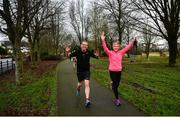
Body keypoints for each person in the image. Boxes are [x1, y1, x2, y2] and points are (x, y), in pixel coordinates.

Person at [100, 32, 136, 106]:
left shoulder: (121, 52)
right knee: (115, 86)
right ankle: (117, 100)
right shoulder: (110, 53)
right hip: (112, 71)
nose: (116, 47)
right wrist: (103, 40)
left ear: (119, 47)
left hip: (119, 71)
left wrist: (132, 40)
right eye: (114, 46)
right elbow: (105, 48)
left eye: (117, 46)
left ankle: (113, 84)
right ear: (112, 47)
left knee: (117, 84)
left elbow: (128, 47)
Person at [65, 41, 99, 107]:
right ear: (81, 45)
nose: (84, 46)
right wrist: (67, 52)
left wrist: (97, 56)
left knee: (87, 84)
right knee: (80, 84)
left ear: (87, 46)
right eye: (83, 44)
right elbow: (69, 56)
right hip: (79, 72)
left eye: (86, 45)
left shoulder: (89, 52)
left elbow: (96, 57)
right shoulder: (77, 51)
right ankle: (78, 89)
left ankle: (87, 100)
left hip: (87, 71)